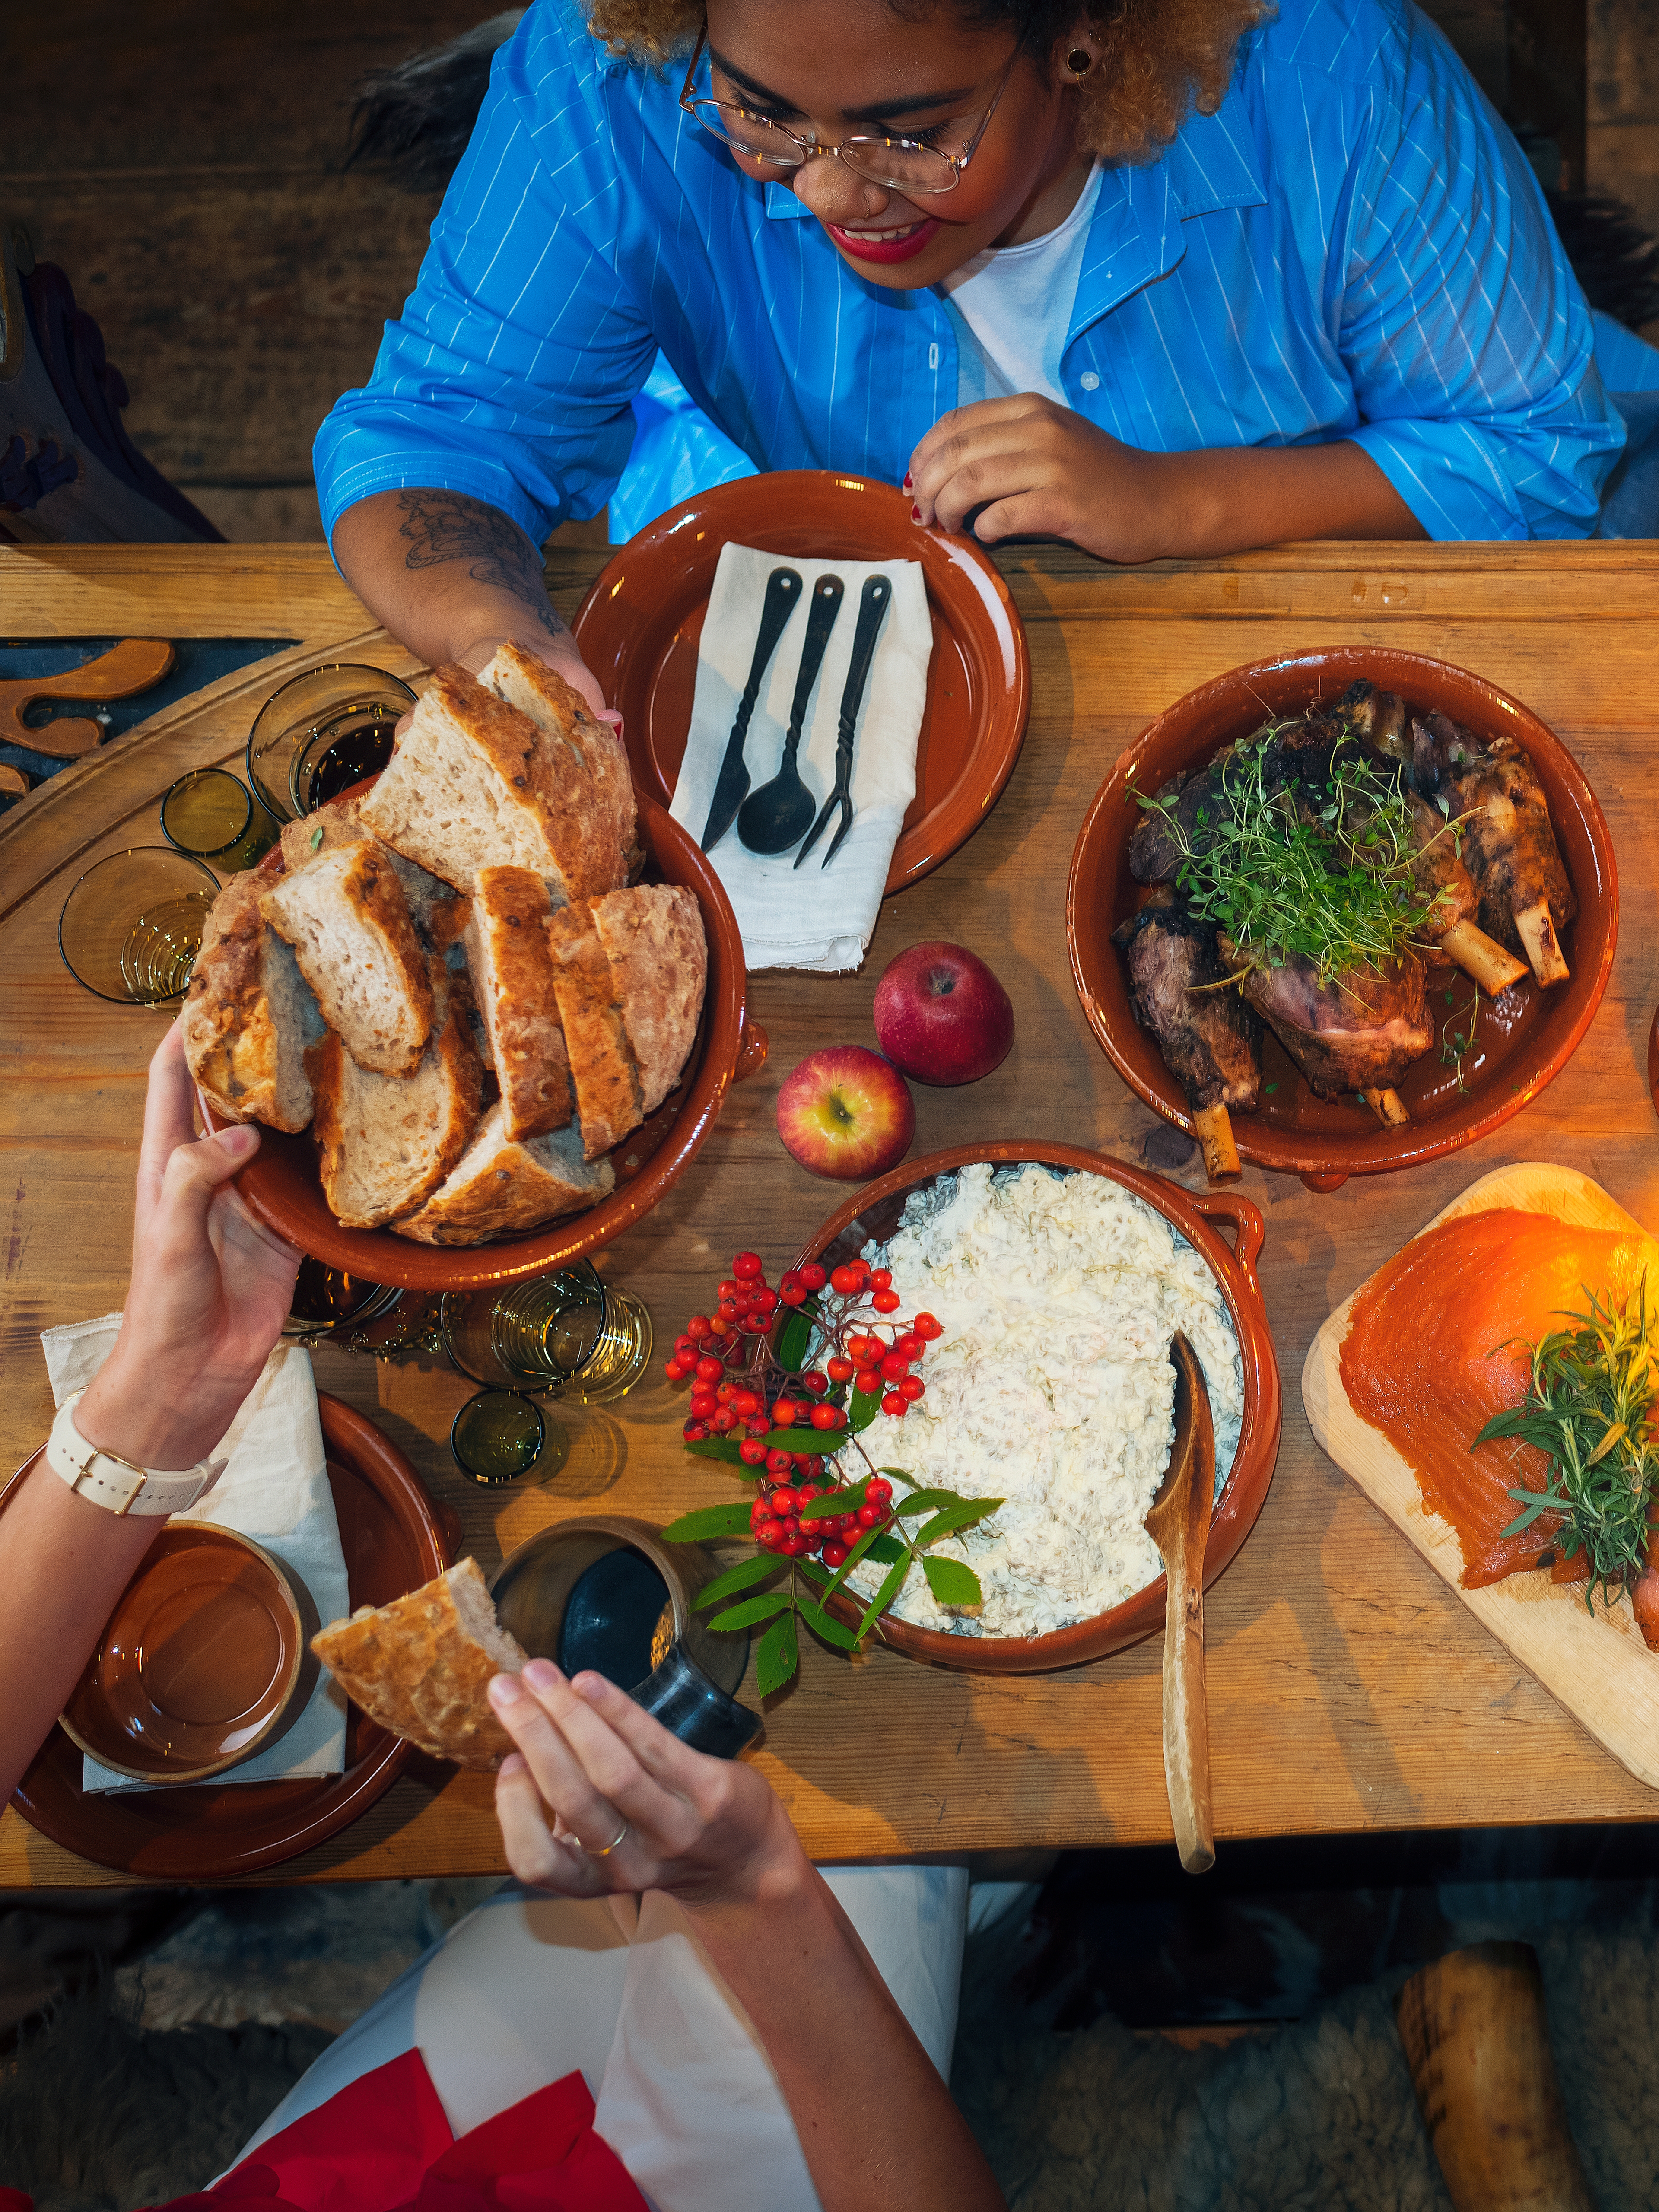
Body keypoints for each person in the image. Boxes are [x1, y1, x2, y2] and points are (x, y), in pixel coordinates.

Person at [5, 1026, 1011, 2212]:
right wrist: (754, 1897)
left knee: (634, 1898)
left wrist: (161, 1392)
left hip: (362, 2172)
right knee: (901, 1841)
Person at [315, 0, 1626, 724]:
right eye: (762, 113)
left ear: (1088, 36)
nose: (830, 194)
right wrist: (508, 649)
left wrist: (1170, 502)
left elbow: (1532, 455)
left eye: (912, 131)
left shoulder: (1337, 82)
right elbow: (438, 438)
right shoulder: (607, 81)